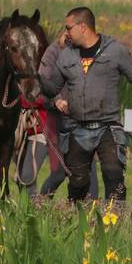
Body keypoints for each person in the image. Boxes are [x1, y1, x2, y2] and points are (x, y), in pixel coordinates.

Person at [41, 6, 132, 202]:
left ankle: (116, 218)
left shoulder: (115, 50)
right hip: (76, 128)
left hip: (108, 127)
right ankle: (78, 217)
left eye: (68, 28)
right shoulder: (66, 55)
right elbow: (52, 87)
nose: (66, 33)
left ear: (82, 27)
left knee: (114, 175)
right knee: (78, 183)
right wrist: (35, 79)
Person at [35, 30, 99, 199]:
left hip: (82, 118)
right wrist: (57, 100)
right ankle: (40, 204)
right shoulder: (53, 52)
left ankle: (92, 208)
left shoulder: (87, 51)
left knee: (89, 166)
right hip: (58, 120)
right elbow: (43, 82)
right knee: (60, 171)